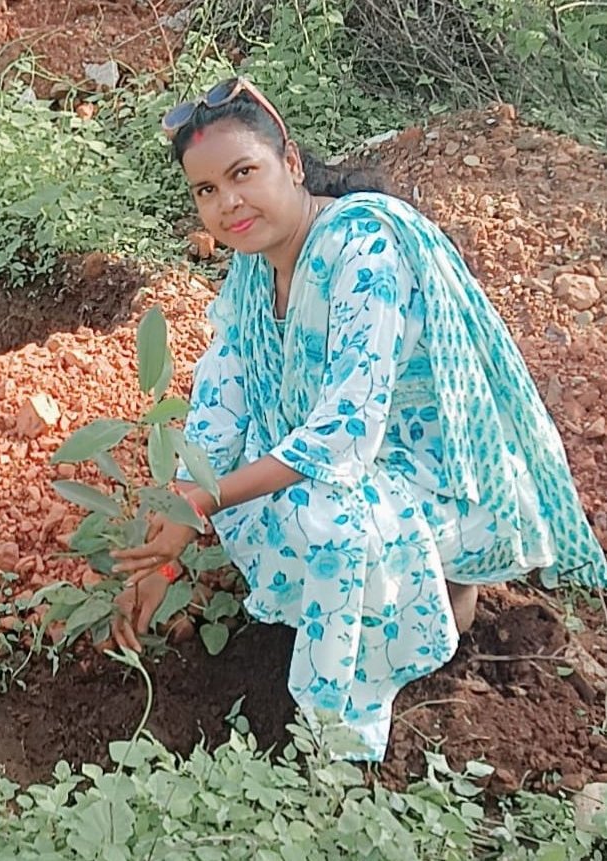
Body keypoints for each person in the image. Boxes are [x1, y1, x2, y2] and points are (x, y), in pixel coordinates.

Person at [109, 77, 607, 760]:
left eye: (242, 173)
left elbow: (347, 431)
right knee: (248, 469)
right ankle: (377, 616)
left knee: (327, 518)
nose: (228, 203)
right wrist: (164, 547)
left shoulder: (362, 248)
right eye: (206, 190)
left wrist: (203, 499)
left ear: (289, 161)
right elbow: (218, 411)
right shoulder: (255, 271)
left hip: (437, 472)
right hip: (358, 462)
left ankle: (344, 728)